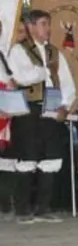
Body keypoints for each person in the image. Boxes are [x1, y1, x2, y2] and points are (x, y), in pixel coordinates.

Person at [7, 10, 76, 224]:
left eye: (48, 24)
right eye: (44, 24)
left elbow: (67, 82)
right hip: (29, 109)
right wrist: (45, 70)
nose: (48, 28)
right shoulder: (18, 50)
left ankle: (44, 208)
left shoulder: (55, 52)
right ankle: (22, 209)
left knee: (52, 158)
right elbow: (21, 77)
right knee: (28, 158)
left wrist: (66, 105)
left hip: (53, 108)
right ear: (30, 26)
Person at [0, 21, 17, 218]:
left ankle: (5, 203)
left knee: (6, 160)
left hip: (5, 113)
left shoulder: (3, 55)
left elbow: (10, 83)